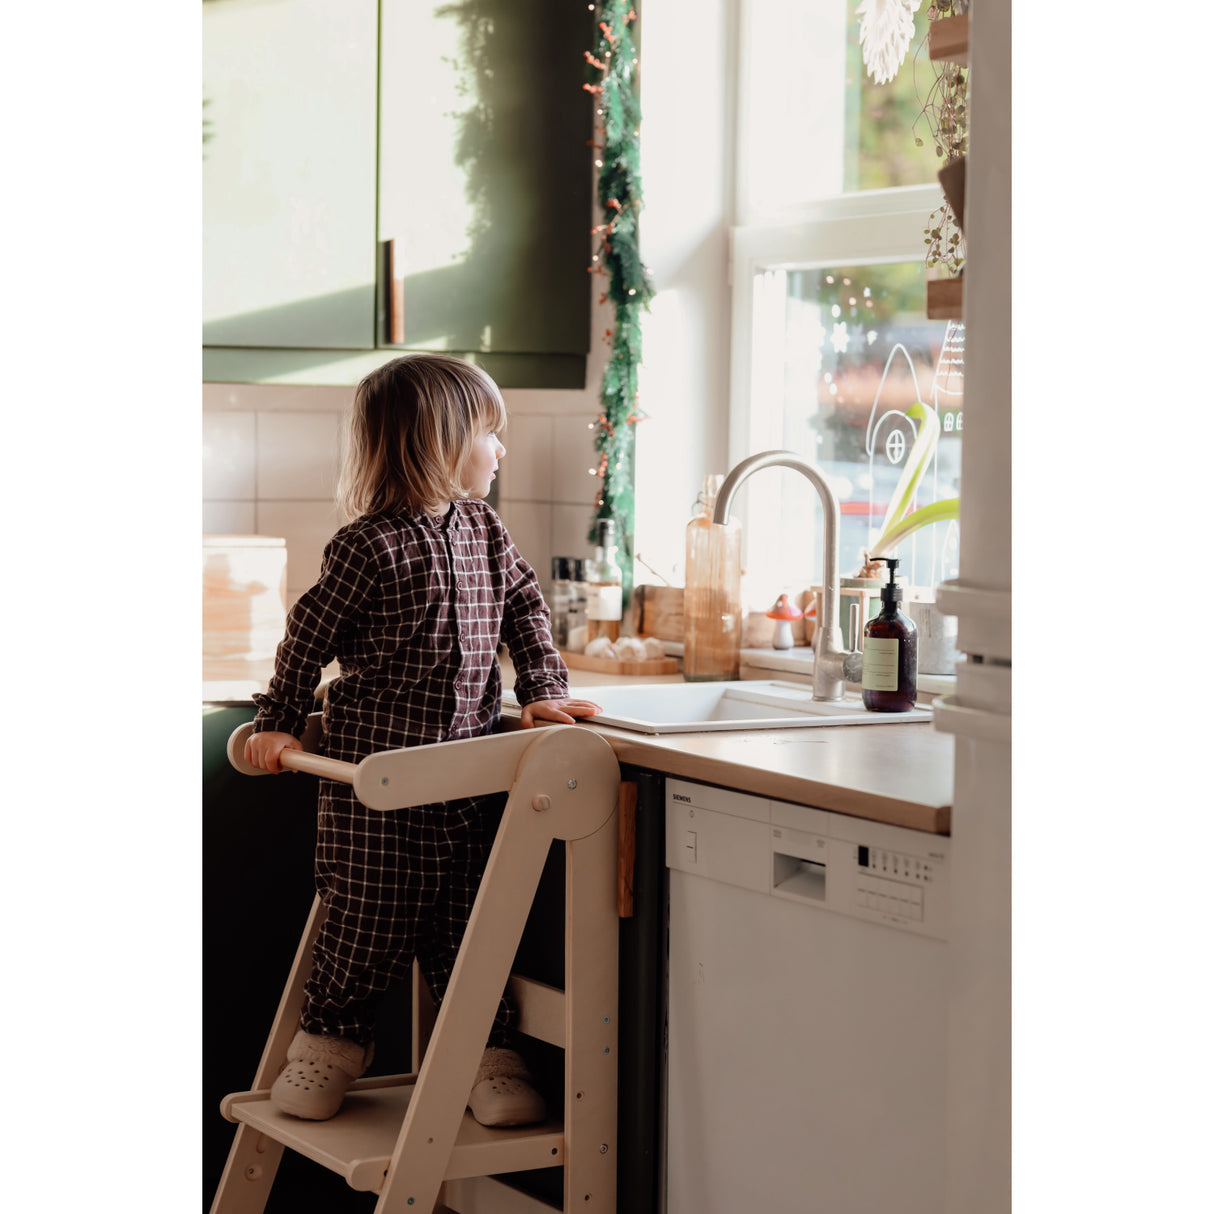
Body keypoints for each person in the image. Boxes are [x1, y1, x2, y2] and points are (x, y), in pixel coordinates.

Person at [244, 353, 601, 1125]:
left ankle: (487, 1056)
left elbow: (526, 609)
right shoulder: (366, 546)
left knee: (468, 927)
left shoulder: (484, 529)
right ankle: (329, 1044)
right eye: (489, 434)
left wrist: (543, 690)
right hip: (377, 785)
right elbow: (306, 639)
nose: (500, 450)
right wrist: (277, 720)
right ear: (439, 442)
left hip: (466, 779)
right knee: (365, 921)